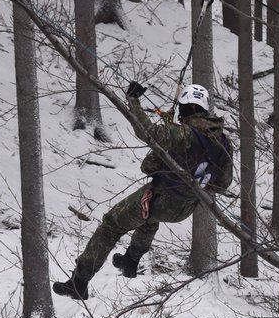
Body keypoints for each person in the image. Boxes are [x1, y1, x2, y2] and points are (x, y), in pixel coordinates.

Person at [52, 81, 234, 300]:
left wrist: (133, 101)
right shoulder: (224, 142)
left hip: (162, 198)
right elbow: (222, 184)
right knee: (147, 217)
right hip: (186, 207)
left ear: (184, 107)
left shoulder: (183, 135)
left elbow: (147, 141)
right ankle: (131, 261)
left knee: (112, 224)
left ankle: (79, 282)